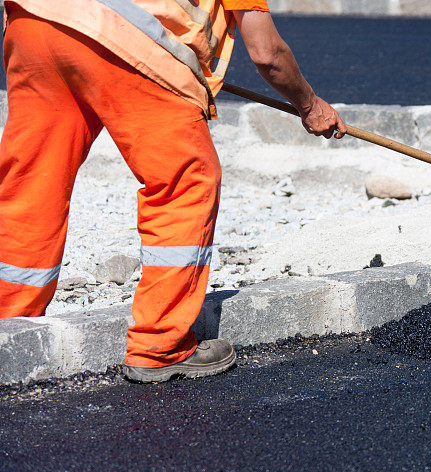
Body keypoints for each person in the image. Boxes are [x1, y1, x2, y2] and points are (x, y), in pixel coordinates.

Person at [0, 0, 346, 382]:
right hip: (126, 40)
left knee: (32, 180)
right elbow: (267, 54)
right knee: (186, 180)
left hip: (34, 21)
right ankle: (160, 344)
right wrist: (309, 105)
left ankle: (9, 326)